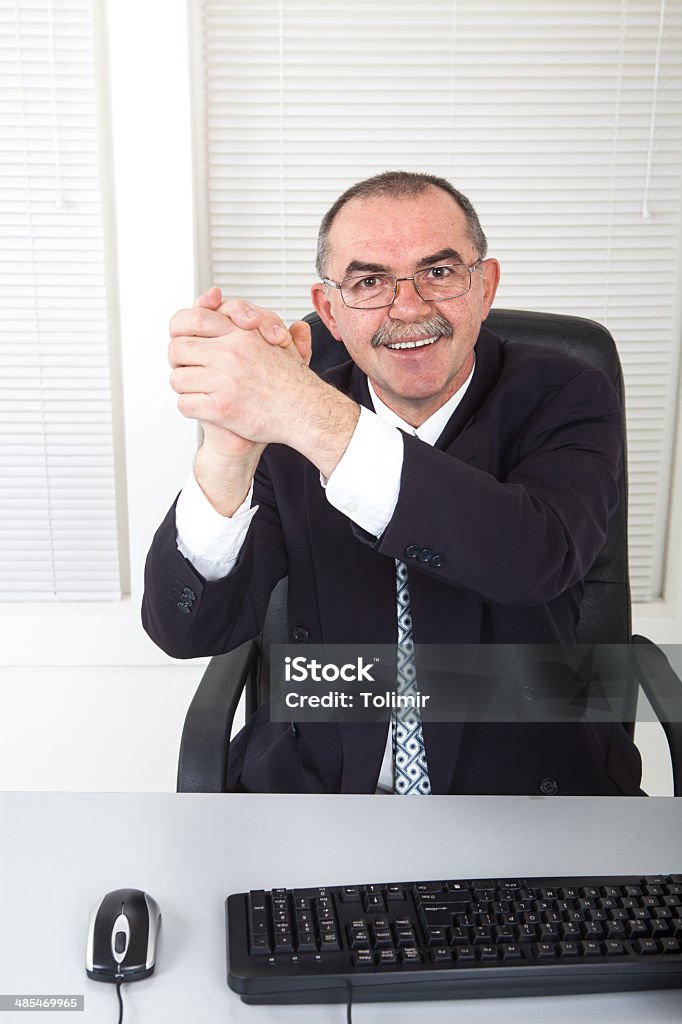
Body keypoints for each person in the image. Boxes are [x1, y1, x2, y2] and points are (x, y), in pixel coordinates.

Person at [142, 170, 642, 796]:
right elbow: (189, 631)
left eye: (439, 272)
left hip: (530, 782)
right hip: (320, 781)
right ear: (330, 310)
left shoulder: (567, 392)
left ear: (483, 287)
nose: (408, 308)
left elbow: (531, 559)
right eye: (369, 280)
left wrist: (308, 414)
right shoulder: (294, 413)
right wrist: (229, 451)